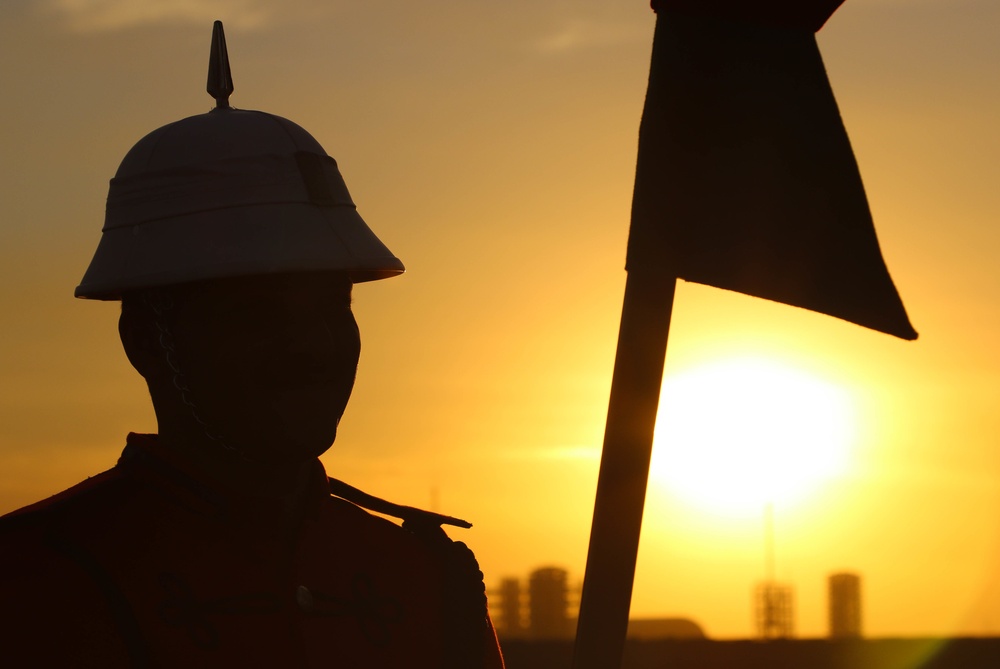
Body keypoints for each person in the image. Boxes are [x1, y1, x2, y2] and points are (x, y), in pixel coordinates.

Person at [0, 22, 504, 668]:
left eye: (333, 307)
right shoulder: (38, 577)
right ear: (145, 340)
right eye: (255, 314)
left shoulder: (425, 579)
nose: (310, 346)